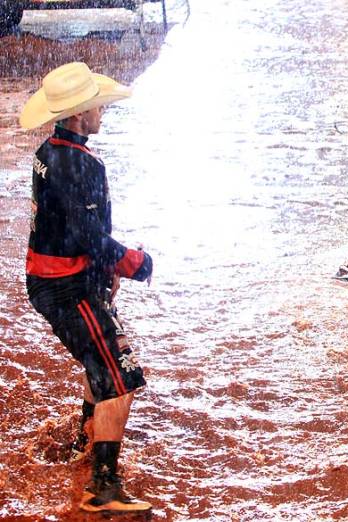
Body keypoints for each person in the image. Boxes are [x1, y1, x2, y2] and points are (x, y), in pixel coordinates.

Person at [19, 62, 154, 513]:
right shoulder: (80, 164)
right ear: (79, 115)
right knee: (121, 379)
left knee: (99, 357)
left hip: (52, 278)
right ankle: (104, 488)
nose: (102, 113)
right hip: (65, 286)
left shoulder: (48, 151)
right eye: (96, 106)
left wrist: (101, 273)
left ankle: (84, 438)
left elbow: (66, 227)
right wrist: (134, 262)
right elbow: (87, 236)